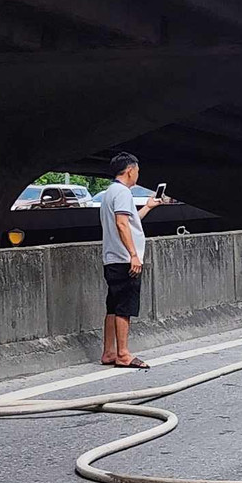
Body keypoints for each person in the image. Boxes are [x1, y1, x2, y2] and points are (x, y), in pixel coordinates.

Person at [99, 152, 162, 368]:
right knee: (125, 306)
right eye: (137, 171)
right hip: (125, 259)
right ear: (129, 171)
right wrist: (134, 254)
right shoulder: (123, 193)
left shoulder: (110, 192)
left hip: (111, 258)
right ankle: (123, 354)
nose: (138, 174)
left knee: (113, 306)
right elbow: (122, 224)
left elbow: (130, 221)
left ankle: (109, 352)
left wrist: (147, 207)